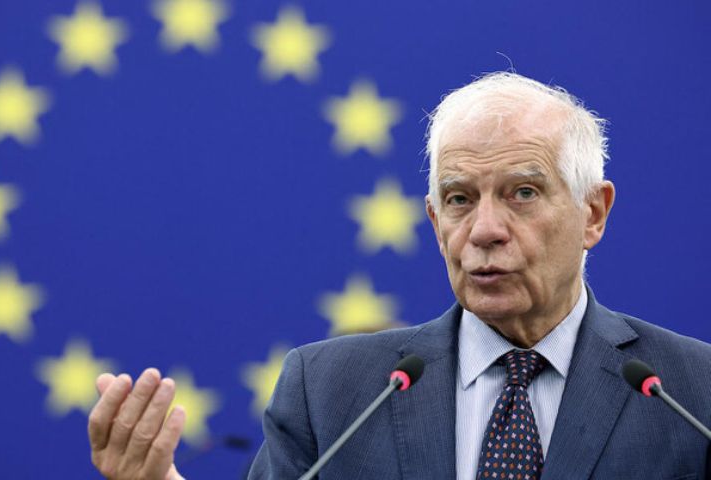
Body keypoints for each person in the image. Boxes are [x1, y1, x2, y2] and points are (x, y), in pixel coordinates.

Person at [87, 73, 711, 479]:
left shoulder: (691, 393)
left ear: (593, 213)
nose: (484, 230)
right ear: (436, 222)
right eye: (459, 199)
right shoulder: (330, 392)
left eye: (522, 193)